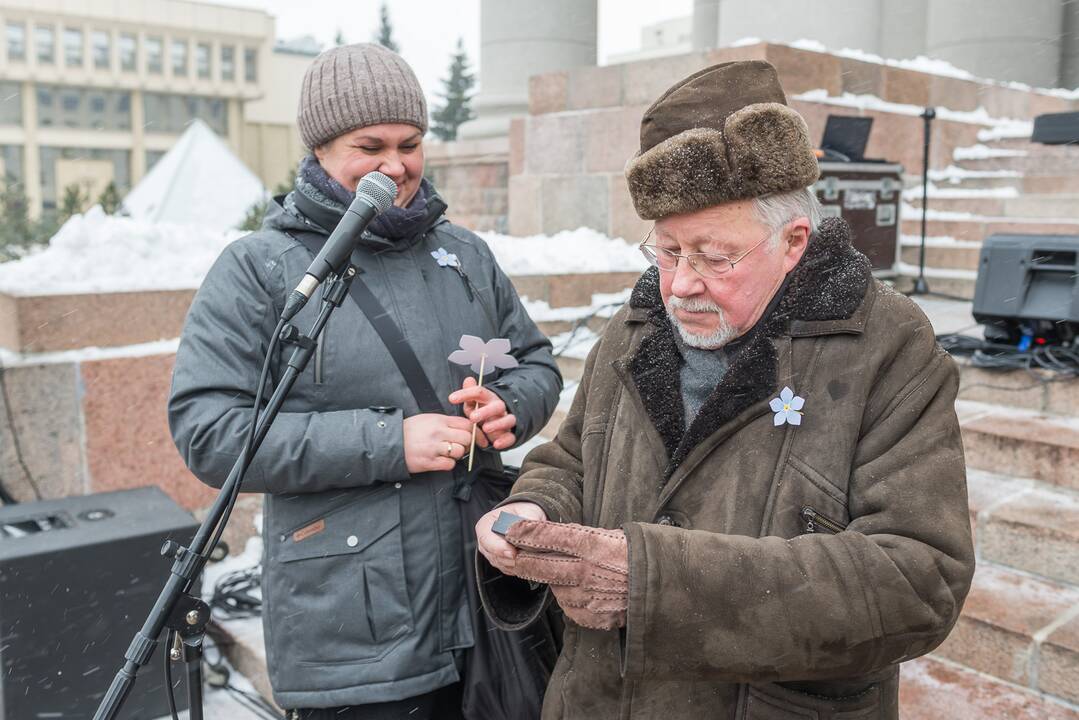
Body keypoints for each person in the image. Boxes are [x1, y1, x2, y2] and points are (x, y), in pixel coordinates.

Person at [474, 60, 975, 719]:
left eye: (712, 256)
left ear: (793, 240)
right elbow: (572, 457)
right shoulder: (632, 330)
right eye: (666, 251)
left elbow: (917, 581)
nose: (680, 283)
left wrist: (654, 584)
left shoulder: (885, 346)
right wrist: (534, 508)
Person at [168, 43, 561, 719]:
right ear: (319, 149)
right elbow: (211, 433)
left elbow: (536, 363)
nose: (396, 165)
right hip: (354, 626)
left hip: (483, 599)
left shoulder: (464, 255)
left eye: (410, 144)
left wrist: (510, 407)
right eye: (369, 145)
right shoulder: (259, 268)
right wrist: (389, 441)